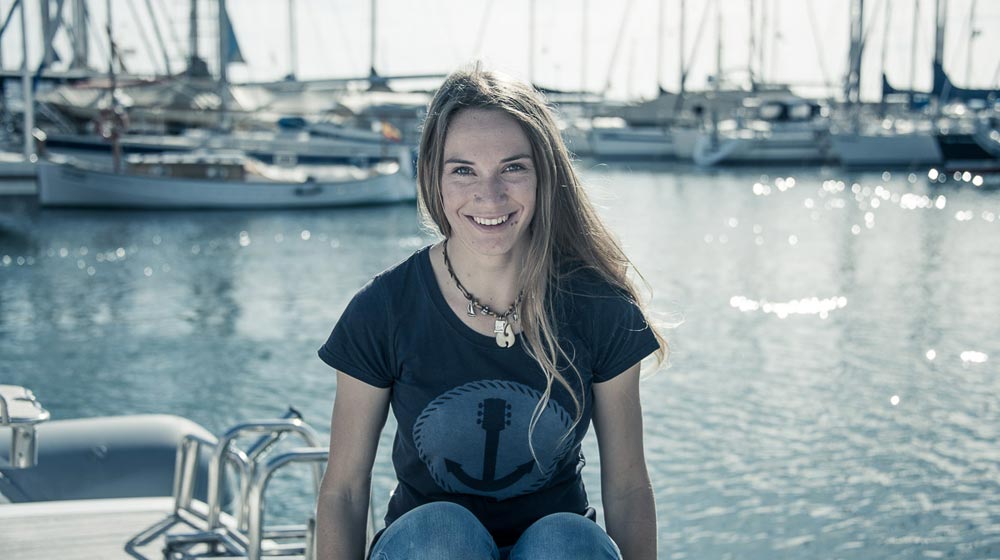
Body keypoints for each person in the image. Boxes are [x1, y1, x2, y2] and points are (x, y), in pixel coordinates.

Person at [316, 66, 666, 560]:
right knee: (442, 533)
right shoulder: (384, 309)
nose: (491, 194)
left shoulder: (600, 308)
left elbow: (628, 487)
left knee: (565, 541)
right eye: (464, 170)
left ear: (545, 175)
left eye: (513, 168)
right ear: (434, 179)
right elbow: (345, 492)